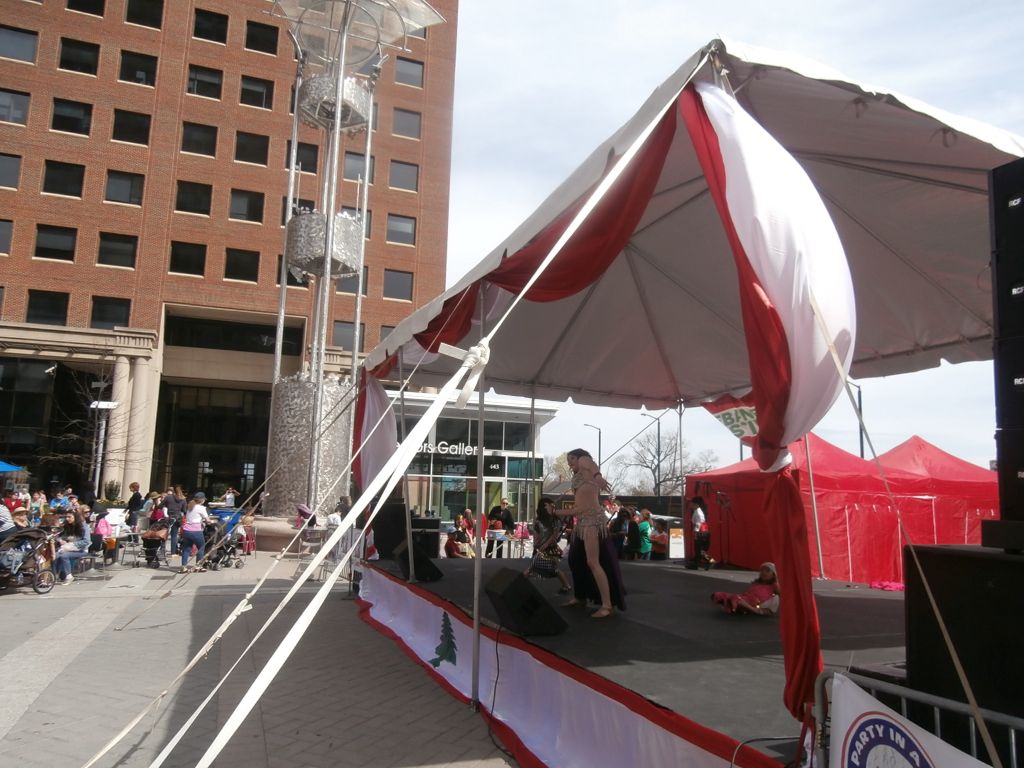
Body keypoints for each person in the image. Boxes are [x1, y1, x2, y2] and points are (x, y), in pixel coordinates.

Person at [555, 448, 626, 618]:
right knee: (575, 559)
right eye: (569, 461)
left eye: (572, 459)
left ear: (579, 457)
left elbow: (590, 464)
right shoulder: (579, 476)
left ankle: (606, 605)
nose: (570, 463)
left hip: (592, 523)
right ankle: (581, 596)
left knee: (593, 562)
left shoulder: (585, 463)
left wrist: (598, 476)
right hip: (583, 523)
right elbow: (579, 508)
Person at [525, 497, 571, 592]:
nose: (551, 507)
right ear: (543, 506)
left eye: (551, 505)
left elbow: (555, 535)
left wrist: (545, 545)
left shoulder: (555, 520)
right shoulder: (538, 520)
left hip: (550, 548)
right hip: (540, 547)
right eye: (548, 505)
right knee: (545, 567)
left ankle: (520, 582)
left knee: (536, 566)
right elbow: (536, 533)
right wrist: (536, 544)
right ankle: (566, 585)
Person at [712, 563, 780, 615]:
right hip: (744, 598)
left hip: (754, 602)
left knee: (734, 598)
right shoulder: (756, 583)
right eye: (762, 570)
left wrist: (776, 580)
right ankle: (736, 607)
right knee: (718, 595)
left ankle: (751, 610)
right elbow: (747, 593)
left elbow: (780, 594)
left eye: (767, 571)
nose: (764, 572)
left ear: (773, 575)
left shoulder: (773, 585)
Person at [54, 508, 90, 584]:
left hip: (81, 550)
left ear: (75, 517)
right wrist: (61, 540)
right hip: (68, 548)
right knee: (55, 555)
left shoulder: (83, 526)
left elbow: (87, 541)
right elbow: (60, 536)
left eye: (69, 517)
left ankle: (69, 576)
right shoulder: (67, 526)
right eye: (66, 517)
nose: (67, 519)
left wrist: (73, 544)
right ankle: (54, 575)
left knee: (64, 555)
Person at [180, 491, 210, 573]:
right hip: (196, 531)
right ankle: (198, 566)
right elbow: (207, 520)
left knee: (186, 549)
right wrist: (210, 522)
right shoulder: (201, 508)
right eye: (204, 499)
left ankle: (183, 567)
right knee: (201, 547)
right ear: (202, 500)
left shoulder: (190, 506)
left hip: (187, 530)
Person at [689, 496, 714, 570]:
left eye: (692, 503)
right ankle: (695, 564)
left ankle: (711, 561)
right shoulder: (697, 511)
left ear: (696, 504)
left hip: (701, 533)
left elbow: (698, 524)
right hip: (703, 533)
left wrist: (696, 533)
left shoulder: (698, 512)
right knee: (699, 551)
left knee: (700, 551)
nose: (690, 505)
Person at [161, 485, 187, 555]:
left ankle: (162, 550)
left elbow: (161, 505)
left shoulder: (168, 497)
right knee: (174, 536)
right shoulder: (183, 499)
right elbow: (184, 510)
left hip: (168, 517)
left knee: (164, 533)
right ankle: (173, 552)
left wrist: (166, 507)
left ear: (173, 491)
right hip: (177, 518)